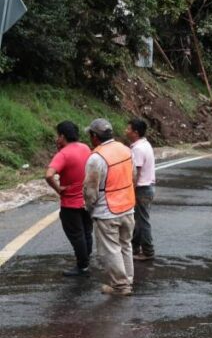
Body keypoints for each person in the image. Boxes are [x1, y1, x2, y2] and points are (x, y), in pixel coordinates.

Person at [83, 118, 136, 296]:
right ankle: (127, 280)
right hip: (128, 206)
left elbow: (90, 190)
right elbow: (133, 176)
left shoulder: (96, 158)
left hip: (108, 211)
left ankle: (120, 286)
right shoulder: (125, 149)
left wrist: (89, 209)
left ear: (94, 136)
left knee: (111, 249)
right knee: (125, 245)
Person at [45, 121, 94, 277]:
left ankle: (82, 265)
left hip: (70, 203)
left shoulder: (63, 154)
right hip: (87, 200)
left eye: (57, 135)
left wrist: (58, 189)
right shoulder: (86, 148)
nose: (56, 138)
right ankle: (86, 258)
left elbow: (48, 175)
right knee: (86, 232)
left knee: (76, 234)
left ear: (62, 136)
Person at [126, 118, 156, 260]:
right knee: (138, 220)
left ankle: (148, 251)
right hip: (147, 187)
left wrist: (130, 190)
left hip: (141, 189)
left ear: (135, 132)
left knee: (143, 221)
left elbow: (135, 173)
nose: (126, 131)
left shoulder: (137, 149)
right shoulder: (145, 144)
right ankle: (134, 248)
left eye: (128, 129)